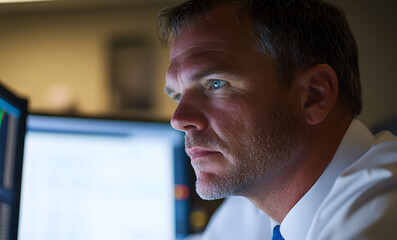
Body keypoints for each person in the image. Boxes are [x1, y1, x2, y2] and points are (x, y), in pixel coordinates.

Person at [157, 0, 397, 239]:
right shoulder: (255, 202)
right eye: (178, 95)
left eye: (216, 83)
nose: (178, 119)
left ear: (315, 95)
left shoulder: (380, 214)